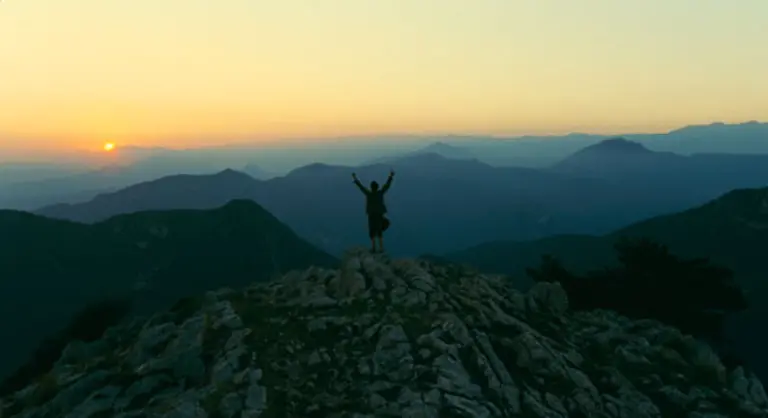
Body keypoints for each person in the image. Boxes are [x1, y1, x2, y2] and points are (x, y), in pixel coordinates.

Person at [352, 170, 395, 253]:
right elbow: (386, 186)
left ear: (371, 187)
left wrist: (355, 178)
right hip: (379, 214)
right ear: (377, 187)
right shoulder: (380, 193)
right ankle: (381, 248)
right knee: (379, 231)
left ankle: (374, 248)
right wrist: (390, 176)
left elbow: (361, 187)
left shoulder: (369, 194)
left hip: (371, 215)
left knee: (372, 231)